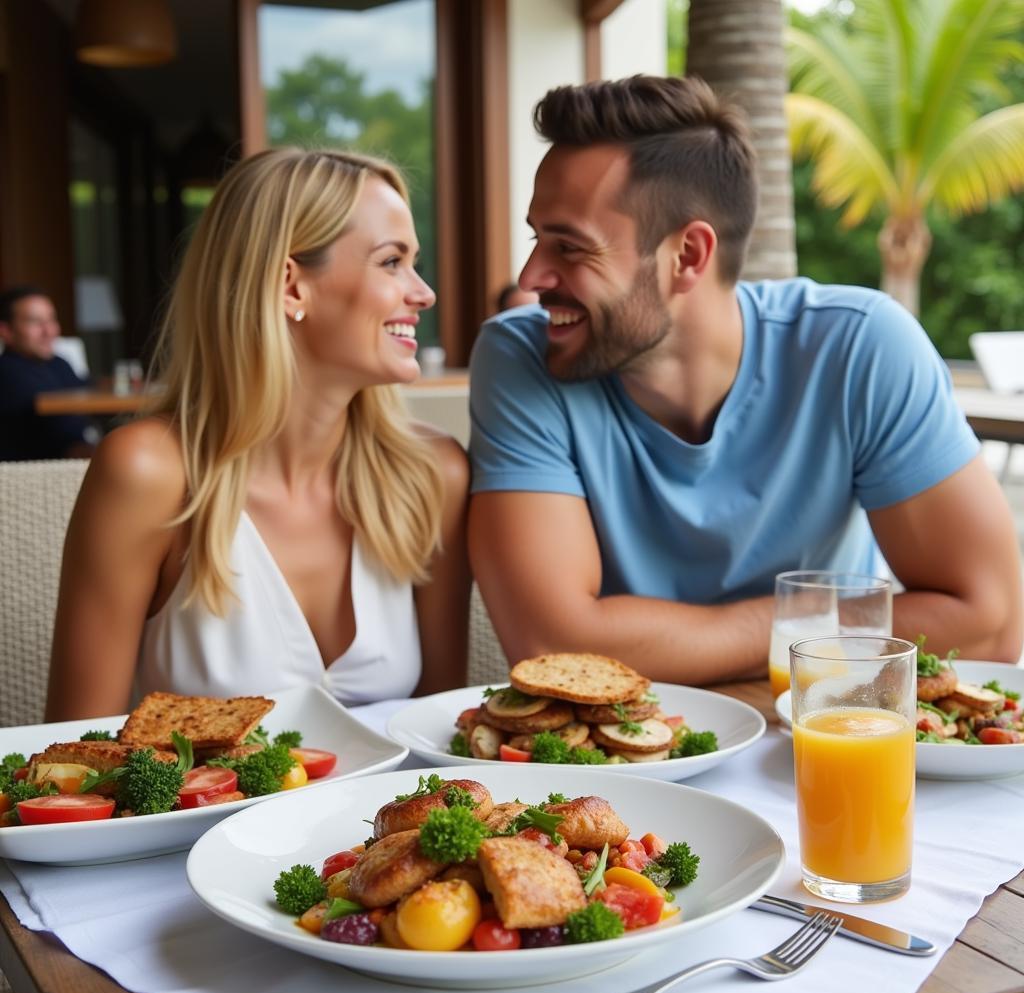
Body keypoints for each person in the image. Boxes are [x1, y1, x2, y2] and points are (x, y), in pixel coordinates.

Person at [468, 75, 1022, 686]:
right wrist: (808, 630)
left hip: (829, 745)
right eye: (536, 238)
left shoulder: (858, 347)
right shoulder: (523, 355)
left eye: (570, 248)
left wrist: (747, 638)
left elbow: (990, 626)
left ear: (687, 256)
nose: (530, 275)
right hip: (637, 762)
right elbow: (551, 647)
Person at [47, 148, 470, 720]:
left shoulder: (431, 472)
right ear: (291, 285)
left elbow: (444, 740)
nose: (423, 293)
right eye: (392, 262)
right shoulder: (149, 472)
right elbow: (71, 766)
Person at [0, 285, 97, 460]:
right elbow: (59, 428)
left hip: (74, 459)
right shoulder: (6, 372)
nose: (49, 331)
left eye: (51, 320)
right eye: (35, 322)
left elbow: (88, 389)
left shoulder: (58, 363)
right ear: (6, 331)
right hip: (38, 469)